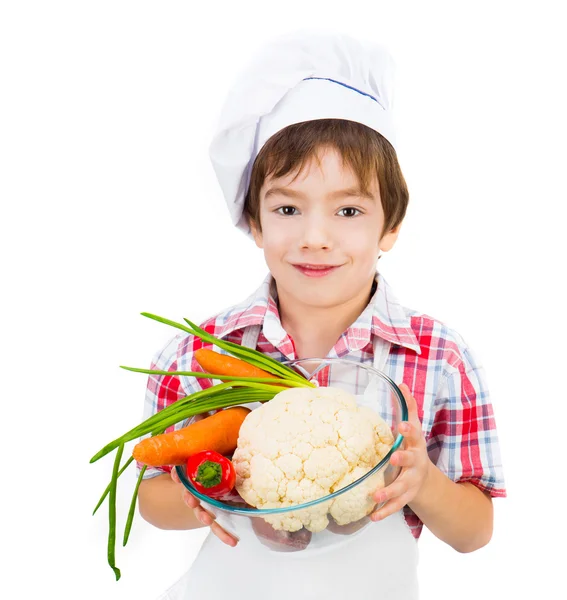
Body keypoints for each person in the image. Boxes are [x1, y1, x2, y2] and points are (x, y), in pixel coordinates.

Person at [136, 31, 506, 600]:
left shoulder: (439, 357)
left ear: (390, 227)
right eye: (287, 208)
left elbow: (475, 531)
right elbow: (152, 498)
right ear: (253, 222)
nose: (315, 237)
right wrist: (196, 495)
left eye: (349, 210)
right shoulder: (195, 352)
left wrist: (422, 481)